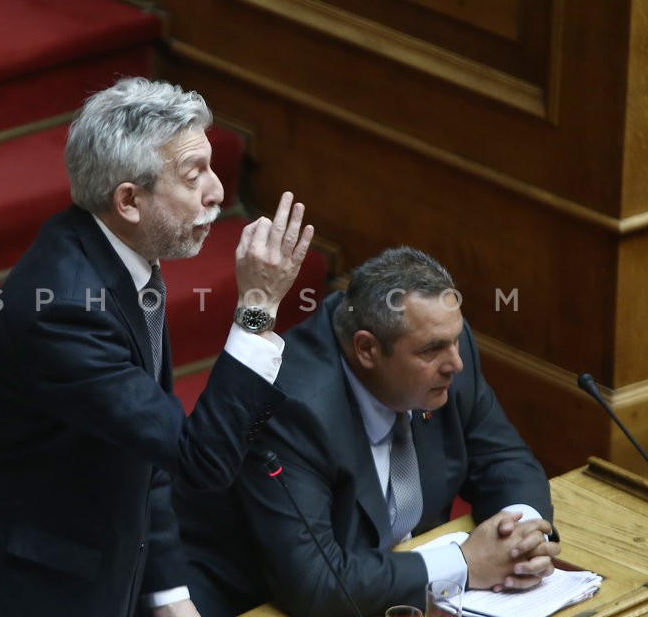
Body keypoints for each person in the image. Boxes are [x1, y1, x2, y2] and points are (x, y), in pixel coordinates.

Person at [0, 77, 314, 617]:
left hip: (91, 578)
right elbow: (199, 459)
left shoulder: (124, 259)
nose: (217, 191)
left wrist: (169, 594)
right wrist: (257, 306)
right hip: (12, 592)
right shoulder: (67, 309)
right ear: (129, 200)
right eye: (195, 175)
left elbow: (147, 448)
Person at [175, 246, 560, 616]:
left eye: (455, 340)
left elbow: (504, 460)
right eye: (432, 351)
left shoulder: (442, 348)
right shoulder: (293, 408)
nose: (455, 363)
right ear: (367, 350)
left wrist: (520, 538)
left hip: (390, 590)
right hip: (258, 600)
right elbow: (315, 583)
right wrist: (465, 563)